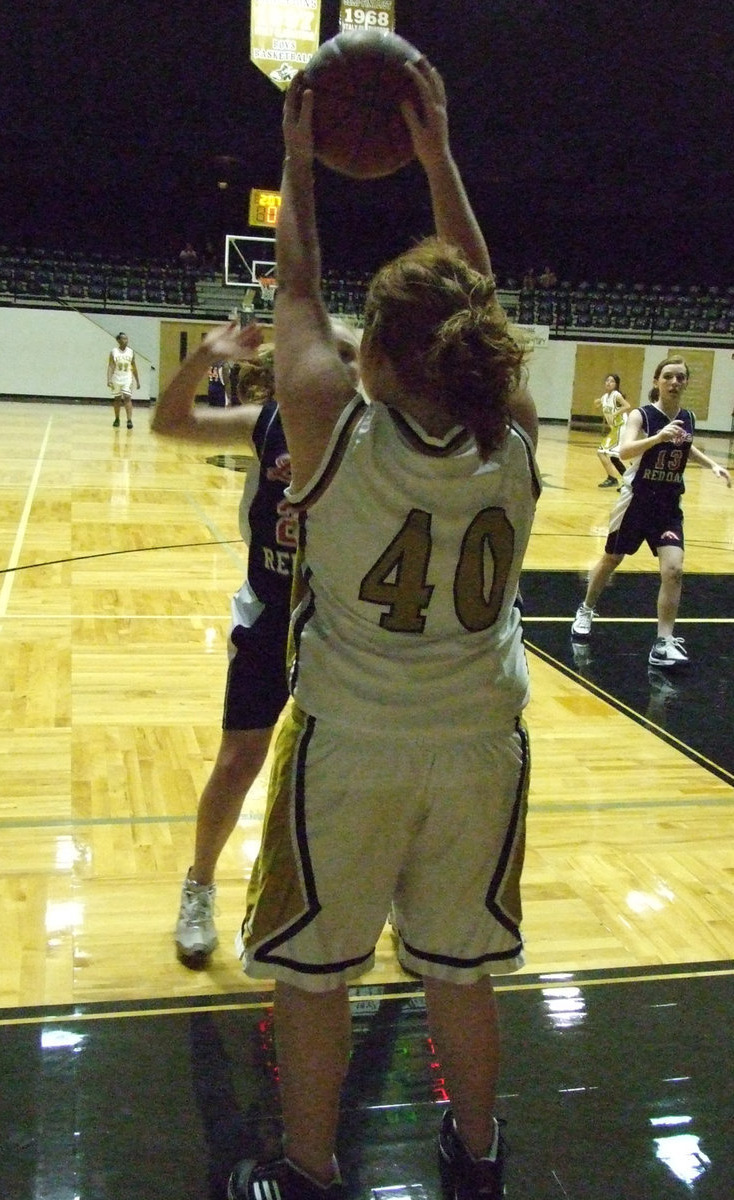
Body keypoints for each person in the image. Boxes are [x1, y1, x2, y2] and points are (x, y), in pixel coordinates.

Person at [228, 58, 540, 1200]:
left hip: (351, 747)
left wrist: (297, 161)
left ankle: (310, 1168)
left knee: (315, 976)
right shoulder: (516, 434)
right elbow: (478, 299)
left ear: (373, 359)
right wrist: (438, 156)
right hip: (482, 747)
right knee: (459, 970)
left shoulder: (331, 427)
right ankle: (478, 1157)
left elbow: (296, 285)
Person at [150, 319, 361, 965]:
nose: (341, 366)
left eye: (351, 355)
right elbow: (169, 423)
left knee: (348, 771)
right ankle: (199, 886)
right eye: (331, 354)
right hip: (271, 613)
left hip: (342, 627)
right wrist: (202, 360)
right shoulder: (266, 422)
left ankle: (355, 898)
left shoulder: (377, 436)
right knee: (240, 758)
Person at [572, 356, 730, 666]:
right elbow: (624, 451)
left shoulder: (687, 417)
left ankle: (663, 642)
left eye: (680, 377)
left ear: (686, 383)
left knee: (673, 570)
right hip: (636, 501)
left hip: (668, 505)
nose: (675, 382)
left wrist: (712, 464)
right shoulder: (640, 415)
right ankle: (586, 608)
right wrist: (658, 437)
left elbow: (685, 445)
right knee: (611, 559)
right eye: (668, 376)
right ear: (656, 381)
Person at [594, 372, 630, 486]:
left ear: (616, 384)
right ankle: (627, 480)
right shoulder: (605, 397)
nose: (609, 383)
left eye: (612, 381)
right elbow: (598, 405)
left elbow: (627, 406)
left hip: (621, 427)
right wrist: (597, 403)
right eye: (607, 380)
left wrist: (615, 413)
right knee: (613, 457)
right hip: (615, 429)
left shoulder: (616, 395)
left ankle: (613, 478)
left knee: (601, 452)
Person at [107, 332, 140, 429]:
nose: (126, 340)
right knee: (117, 398)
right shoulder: (114, 352)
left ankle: (129, 420)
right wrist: (109, 379)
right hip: (117, 377)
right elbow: (111, 366)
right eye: (124, 339)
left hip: (127, 377)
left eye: (126, 339)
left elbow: (134, 366)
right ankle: (117, 418)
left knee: (127, 397)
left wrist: (137, 380)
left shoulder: (131, 352)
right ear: (118, 340)